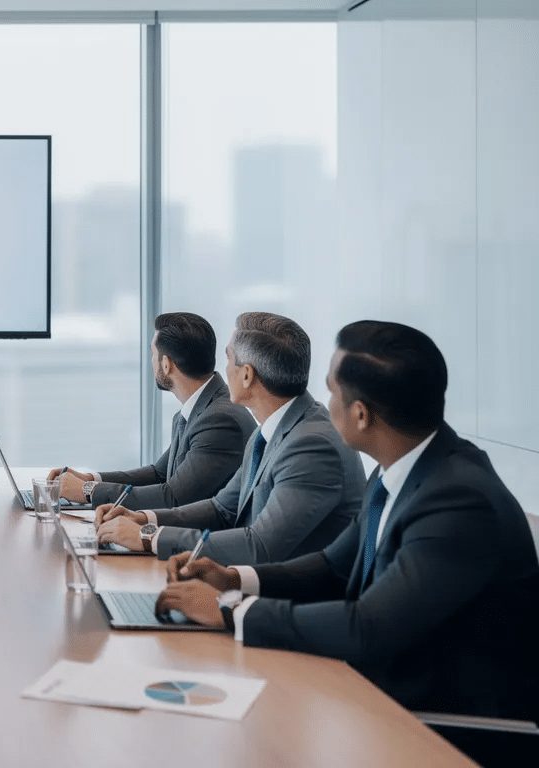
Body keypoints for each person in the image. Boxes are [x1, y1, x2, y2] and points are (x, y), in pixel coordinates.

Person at [157, 321, 539, 767]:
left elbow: (369, 627)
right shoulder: (397, 469)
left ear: (360, 414)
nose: (322, 402)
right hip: (381, 690)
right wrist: (233, 578)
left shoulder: (458, 502)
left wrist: (228, 609)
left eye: (331, 390)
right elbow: (335, 566)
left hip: (448, 727)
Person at [99, 312, 364, 565]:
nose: (223, 371)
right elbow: (222, 509)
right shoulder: (272, 428)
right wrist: (143, 519)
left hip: (294, 601)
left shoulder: (312, 446)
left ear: (247, 375)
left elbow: (259, 546)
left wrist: (148, 537)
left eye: (228, 359)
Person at [49, 312, 255, 509]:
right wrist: (91, 479)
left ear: (166, 364)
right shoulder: (199, 409)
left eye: (153, 354)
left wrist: (87, 491)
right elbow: (159, 474)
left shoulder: (220, 420)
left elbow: (173, 497)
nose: (152, 362)